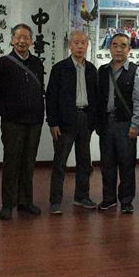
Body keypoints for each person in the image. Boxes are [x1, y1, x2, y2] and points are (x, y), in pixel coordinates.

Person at [0, 23, 45, 220]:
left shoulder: (37, 63)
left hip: (34, 122)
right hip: (12, 122)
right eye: (18, 37)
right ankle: (8, 204)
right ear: (12, 40)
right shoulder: (2, 63)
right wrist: (8, 111)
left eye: (26, 38)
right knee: (11, 162)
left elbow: (40, 90)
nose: (22, 41)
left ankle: (25, 201)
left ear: (31, 40)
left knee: (28, 163)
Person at [46, 30, 100, 214]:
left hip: (85, 118)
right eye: (76, 43)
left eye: (83, 43)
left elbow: (96, 97)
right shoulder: (60, 68)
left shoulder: (92, 69)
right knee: (60, 163)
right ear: (70, 45)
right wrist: (53, 123)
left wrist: (93, 121)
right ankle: (55, 201)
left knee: (84, 161)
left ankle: (81, 196)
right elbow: (51, 97)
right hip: (65, 121)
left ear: (87, 46)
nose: (80, 46)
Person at [97, 32, 139, 214]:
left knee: (127, 164)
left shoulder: (136, 71)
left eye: (123, 45)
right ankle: (109, 199)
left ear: (129, 49)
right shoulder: (102, 71)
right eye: (115, 45)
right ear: (110, 48)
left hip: (126, 125)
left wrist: (136, 125)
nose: (119, 49)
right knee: (107, 164)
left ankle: (126, 200)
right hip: (106, 124)